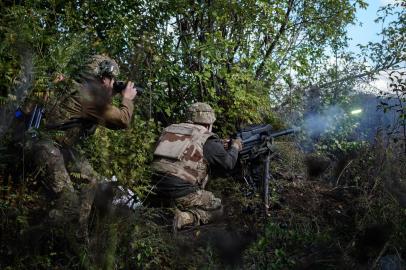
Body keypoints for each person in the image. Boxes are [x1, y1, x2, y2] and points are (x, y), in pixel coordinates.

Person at [32, 55, 137, 241]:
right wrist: (127, 98)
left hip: (54, 146)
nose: (112, 84)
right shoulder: (90, 98)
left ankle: (79, 236)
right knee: (69, 203)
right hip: (48, 149)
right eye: (111, 80)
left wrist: (108, 93)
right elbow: (122, 120)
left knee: (90, 180)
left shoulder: (69, 85)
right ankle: (34, 240)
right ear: (103, 77)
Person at [150, 102, 243, 231]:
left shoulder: (169, 130)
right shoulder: (206, 138)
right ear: (209, 123)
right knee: (219, 208)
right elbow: (228, 164)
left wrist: (218, 145)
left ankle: (162, 207)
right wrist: (235, 146)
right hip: (180, 192)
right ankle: (184, 218)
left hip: (153, 187)